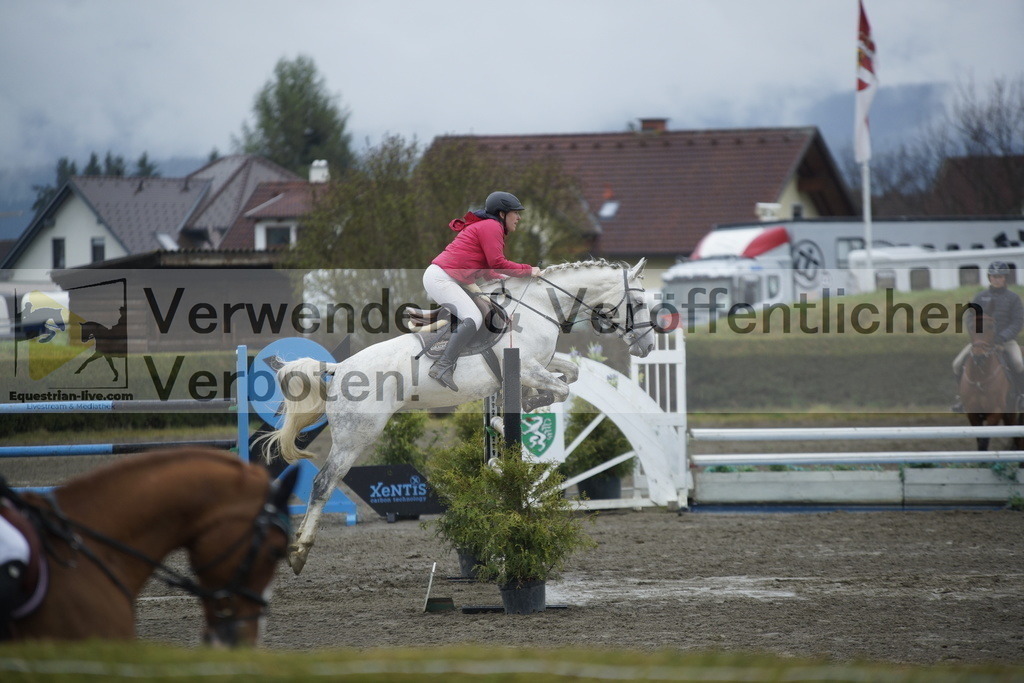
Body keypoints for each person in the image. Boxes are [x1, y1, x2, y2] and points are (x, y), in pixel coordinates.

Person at [422, 191, 541, 391]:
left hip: (449, 278)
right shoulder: (491, 226)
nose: (519, 218)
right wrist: (528, 270)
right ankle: (443, 366)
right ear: (502, 214)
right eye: (515, 213)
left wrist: (508, 278)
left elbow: (489, 270)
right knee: (474, 317)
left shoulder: (488, 226)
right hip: (441, 278)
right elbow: (498, 262)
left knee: (483, 313)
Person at [951, 261, 1024, 412]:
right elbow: (970, 319)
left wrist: (1002, 337)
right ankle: (961, 399)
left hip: (1005, 341)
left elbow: (1017, 322)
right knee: (957, 364)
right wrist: (977, 337)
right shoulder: (980, 297)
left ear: (1005, 278)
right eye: (994, 276)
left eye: (1000, 276)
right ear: (989, 278)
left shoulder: (1013, 298)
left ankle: (1021, 396)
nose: (997, 279)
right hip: (981, 342)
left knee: (1018, 363)